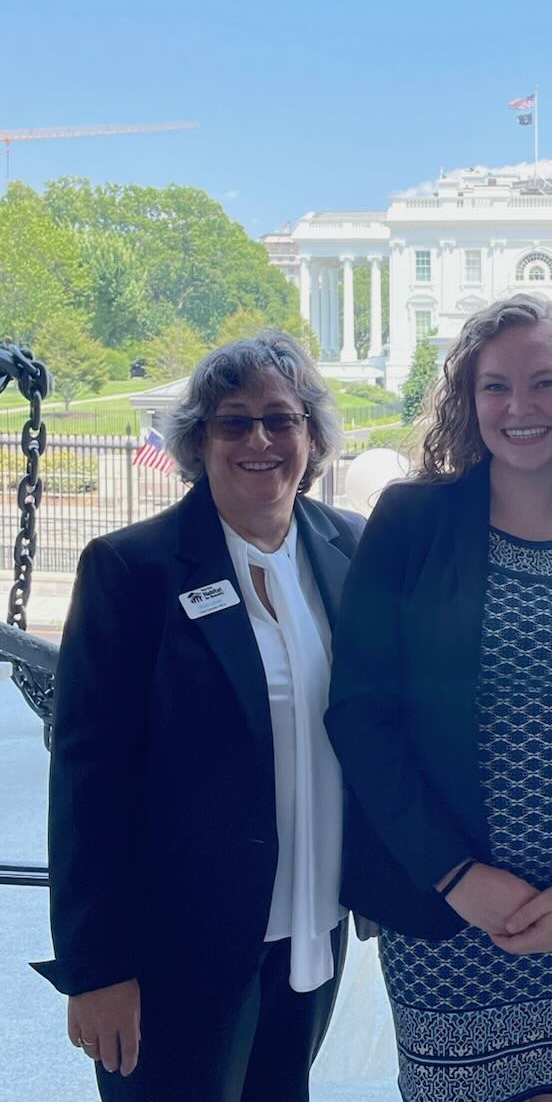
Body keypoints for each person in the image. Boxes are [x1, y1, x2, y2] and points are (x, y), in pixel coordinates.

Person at [326, 293, 552, 1102]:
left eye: (545, 382)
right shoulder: (412, 521)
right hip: (446, 912)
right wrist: (455, 874)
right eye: (495, 386)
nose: (519, 407)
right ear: (469, 399)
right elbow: (360, 712)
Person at [33, 331, 364, 1102]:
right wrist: (98, 968)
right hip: (170, 953)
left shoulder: (348, 546)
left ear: (311, 435)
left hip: (311, 929)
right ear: (198, 440)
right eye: (233, 421)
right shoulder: (131, 570)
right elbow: (88, 782)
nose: (259, 440)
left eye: (280, 419)